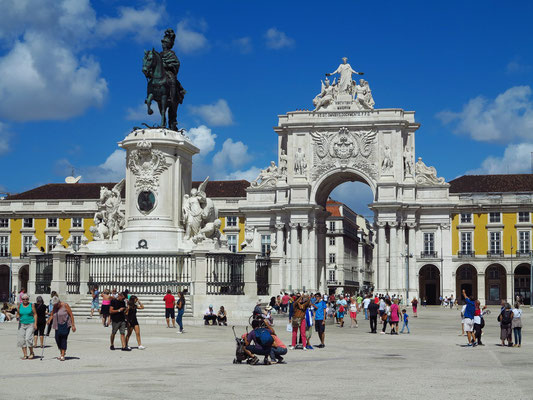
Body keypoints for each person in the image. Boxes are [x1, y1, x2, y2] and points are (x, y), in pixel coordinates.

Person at [47, 296, 76, 361]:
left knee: (63, 338)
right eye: (54, 304)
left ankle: (62, 355)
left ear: (59, 302)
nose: (55, 305)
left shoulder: (65, 305)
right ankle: (62, 351)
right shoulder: (55, 307)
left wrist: (73, 325)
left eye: (56, 304)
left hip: (66, 324)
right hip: (57, 325)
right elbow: (52, 314)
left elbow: (71, 315)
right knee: (57, 338)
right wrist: (49, 320)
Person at [17, 294, 37, 359]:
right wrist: (17, 316)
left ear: (28, 299)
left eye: (26, 299)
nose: (25, 300)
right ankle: (25, 355)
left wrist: (35, 324)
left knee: (28, 339)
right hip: (21, 324)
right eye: (23, 299)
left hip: (30, 324)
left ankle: (31, 352)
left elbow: (35, 314)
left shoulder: (32, 305)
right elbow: (18, 313)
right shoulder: (20, 305)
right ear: (22, 300)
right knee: (21, 340)